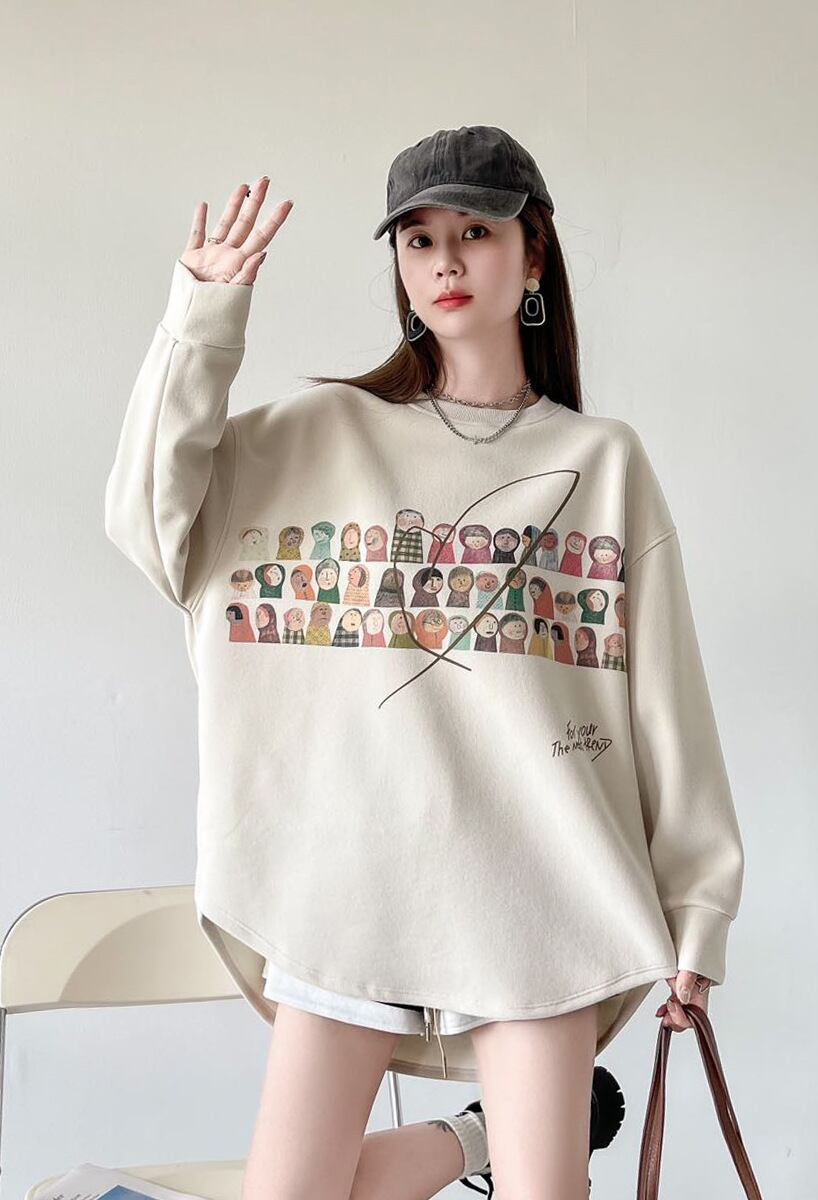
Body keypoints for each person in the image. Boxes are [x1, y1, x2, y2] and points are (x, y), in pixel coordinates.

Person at [104, 125, 744, 1200]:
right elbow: (147, 524)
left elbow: (665, 703)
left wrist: (698, 912)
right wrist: (202, 319)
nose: (445, 261)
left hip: (540, 887)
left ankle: (497, 1146)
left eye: (476, 233)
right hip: (344, 878)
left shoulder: (600, 462)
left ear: (533, 254)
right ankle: (468, 1141)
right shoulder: (317, 435)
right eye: (418, 239)